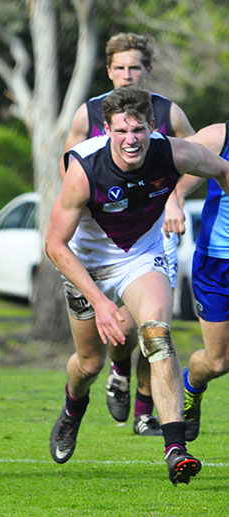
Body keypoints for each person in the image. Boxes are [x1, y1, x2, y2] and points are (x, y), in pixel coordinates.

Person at [46, 86, 229, 485]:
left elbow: (222, 168)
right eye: (122, 131)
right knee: (89, 363)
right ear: (107, 130)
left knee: (157, 336)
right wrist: (100, 302)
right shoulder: (84, 169)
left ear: (151, 127)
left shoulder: (171, 151)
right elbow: (54, 245)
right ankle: (73, 407)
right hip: (87, 264)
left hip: (139, 257)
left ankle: (175, 449)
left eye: (140, 130)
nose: (132, 140)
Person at [63, 32, 196, 436]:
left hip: (149, 239)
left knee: (154, 329)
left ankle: (144, 415)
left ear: (147, 70)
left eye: (134, 67)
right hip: (97, 243)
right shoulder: (89, 114)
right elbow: (67, 166)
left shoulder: (168, 112)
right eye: (119, 68)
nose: (126, 75)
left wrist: (173, 196)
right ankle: (115, 371)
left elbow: (194, 157)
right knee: (104, 345)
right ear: (108, 71)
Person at [164, 123, 229, 444]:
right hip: (218, 264)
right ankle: (192, 384)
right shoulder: (220, 136)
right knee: (218, 361)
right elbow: (164, 161)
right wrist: (172, 199)